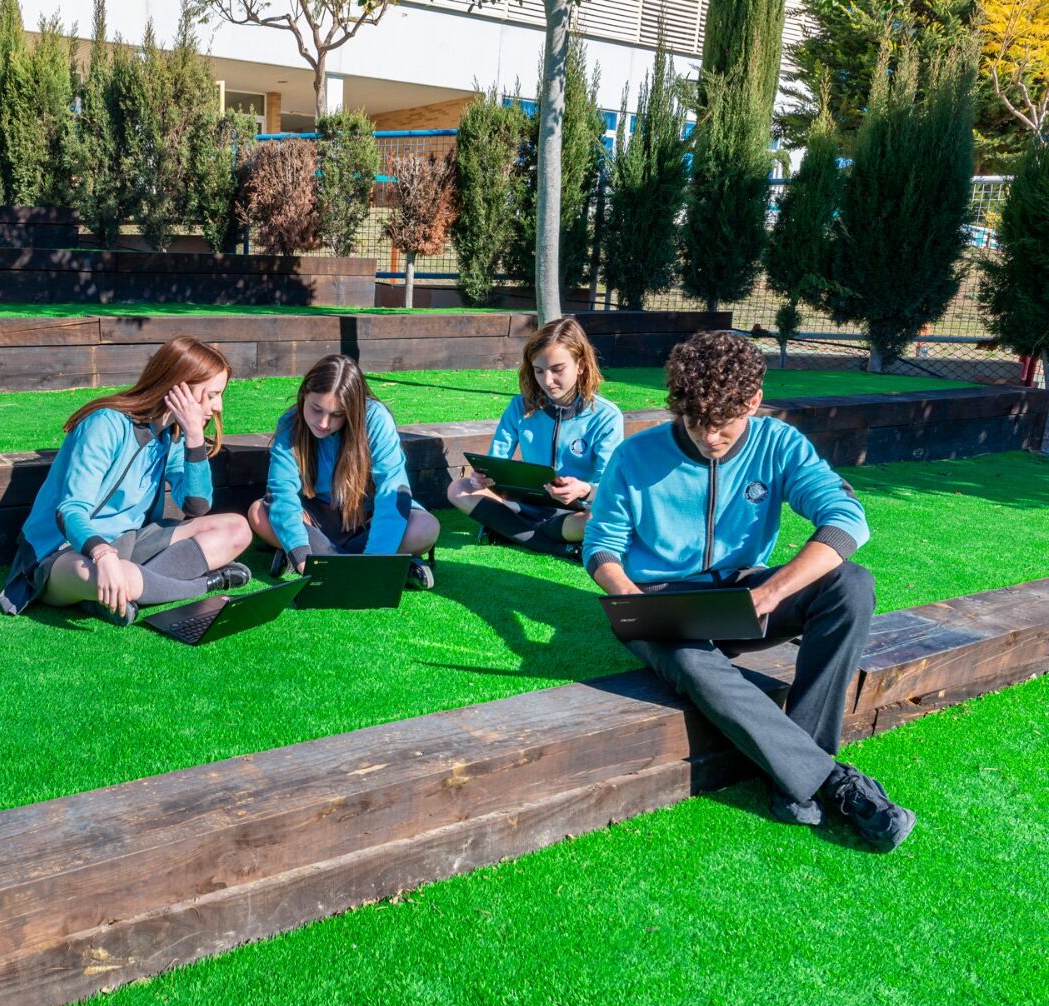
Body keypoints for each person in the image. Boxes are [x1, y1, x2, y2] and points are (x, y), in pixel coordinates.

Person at [583, 330, 915, 850]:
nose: (710, 436)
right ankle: (827, 782)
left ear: (754, 402)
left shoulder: (780, 444)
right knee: (692, 663)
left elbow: (847, 519)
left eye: (725, 423)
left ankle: (797, 769)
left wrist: (769, 593)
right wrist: (631, 598)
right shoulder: (634, 456)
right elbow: (601, 547)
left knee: (853, 584)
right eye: (695, 421)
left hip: (746, 594)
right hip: (662, 601)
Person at [0, 335, 253, 626]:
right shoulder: (105, 424)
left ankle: (115, 595)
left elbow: (196, 505)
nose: (218, 405)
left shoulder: (172, 434)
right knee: (116, 575)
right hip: (63, 552)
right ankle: (206, 584)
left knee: (237, 529)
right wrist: (103, 555)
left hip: (128, 542)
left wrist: (195, 437)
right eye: (211, 394)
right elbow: (70, 510)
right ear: (179, 386)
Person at [248, 353, 440, 588]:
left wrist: (375, 561)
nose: (323, 423)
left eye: (338, 415)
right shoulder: (290, 422)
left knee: (426, 528)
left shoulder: (376, 418)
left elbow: (393, 491)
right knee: (258, 513)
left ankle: (344, 560)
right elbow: (282, 491)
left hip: (368, 518)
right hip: (317, 518)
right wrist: (300, 555)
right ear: (303, 395)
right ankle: (395, 563)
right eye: (316, 409)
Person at [446, 317, 624, 559]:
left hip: (573, 514)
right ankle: (561, 547)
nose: (547, 381)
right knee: (459, 488)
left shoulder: (606, 417)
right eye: (539, 371)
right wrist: (482, 477)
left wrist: (583, 490)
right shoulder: (520, 406)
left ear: (580, 365)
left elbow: (609, 487)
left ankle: (507, 532)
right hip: (519, 505)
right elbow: (495, 460)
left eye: (557, 369)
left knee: (597, 519)